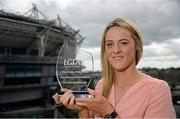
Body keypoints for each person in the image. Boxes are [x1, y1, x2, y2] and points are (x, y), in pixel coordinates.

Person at [53, 18, 176, 118]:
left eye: (123, 43)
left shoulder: (157, 90)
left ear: (137, 45)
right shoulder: (102, 85)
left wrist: (109, 113)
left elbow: (108, 113)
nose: (116, 50)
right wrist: (83, 110)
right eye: (110, 44)